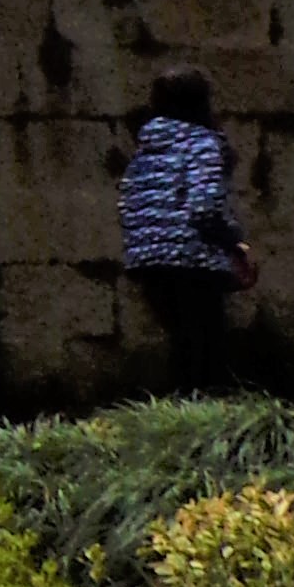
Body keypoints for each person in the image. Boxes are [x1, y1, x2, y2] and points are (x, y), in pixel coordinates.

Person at [122, 61, 254, 387]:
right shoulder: (202, 143)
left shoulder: (146, 150)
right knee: (207, 345)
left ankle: (181, 415)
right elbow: (204, 207)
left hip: (149, 261)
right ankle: (210, 417)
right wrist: (234, 242)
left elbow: (129, 203)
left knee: (181, 343)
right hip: (193, 259)